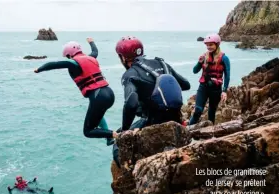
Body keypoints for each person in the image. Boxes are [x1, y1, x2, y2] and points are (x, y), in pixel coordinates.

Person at [113, 36, 191, 167]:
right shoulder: (162, 64)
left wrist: (125, 132)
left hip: (153, 121)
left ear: (123, 57)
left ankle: (129, 173)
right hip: (176, 118)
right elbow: (186, 85)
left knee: (117, 146)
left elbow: (131, 103)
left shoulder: (130, 74)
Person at [34, 38, 117, 146]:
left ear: (69, 54)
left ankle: (114, 135)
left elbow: (53, 65)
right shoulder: (90, 57)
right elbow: (95, 51)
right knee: (98, 115)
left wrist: (39, 69)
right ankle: (109, 139)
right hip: (109, 94)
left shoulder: (74, 63)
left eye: (67, 56)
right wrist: (91, 42)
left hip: (99, 96)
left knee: (88, 131)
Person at [188, 33, 230, 125]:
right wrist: (199, 63)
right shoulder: (204, 57)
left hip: (216, 89)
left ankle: (210, 133)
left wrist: (224, 91)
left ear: (217, 44)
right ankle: (187, 130)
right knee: (197, 110)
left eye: (211, 45)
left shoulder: (224, 58)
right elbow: (195, 71)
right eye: (207, 45)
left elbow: (227, 75)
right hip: (203, 87)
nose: (208, 47)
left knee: (211, 112)